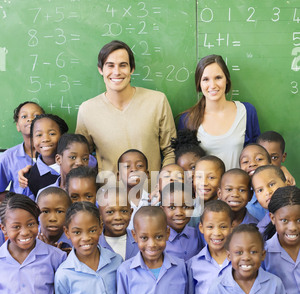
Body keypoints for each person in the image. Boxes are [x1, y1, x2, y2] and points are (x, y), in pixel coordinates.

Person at [75, 40, 176, 178]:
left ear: (132, 69)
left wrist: (162, 186)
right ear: (100, 69)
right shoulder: (87, 110)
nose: (116, 72)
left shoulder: (157, 101)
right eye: (110, 66)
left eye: (123, 65)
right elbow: (80, 157)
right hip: (108, 196)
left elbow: (171, 151)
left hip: (152, 196)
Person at [177, 54, 260, 171]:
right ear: (199, 84)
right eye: (205, 79)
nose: (212, 85)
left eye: (218, 78)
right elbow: (183, 166)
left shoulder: (246, 111)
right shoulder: (188, 119)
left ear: (226, 80)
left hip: (239, 188)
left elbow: (259, 157)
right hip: (203, 188)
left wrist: (280, 167)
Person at [0, 101, 45, 197]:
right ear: (17, 126)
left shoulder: (54, 154)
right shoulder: (8, 157)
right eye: (24, 116)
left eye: (36, 116)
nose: (30, 119)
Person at [20, 114, 69, 199]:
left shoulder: (77, 163)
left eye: (52, 133)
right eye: (39, 135)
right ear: (32, 139)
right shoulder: (29, 177)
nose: (45, 139)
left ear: (63, 136)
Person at [161, 181, 203, 261]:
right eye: (172, 207)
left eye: (186, 207)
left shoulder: (198, 235)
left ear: (192, 208)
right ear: (162, 210)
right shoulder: (158, 239)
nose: (179, 213)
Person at [98, 186, 139, 261]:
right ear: (100, 216)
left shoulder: (140, 240)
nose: (118, 217)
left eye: (124, 211)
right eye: (110, 212)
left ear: (131, 213)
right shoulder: (95, 244)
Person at [117, 149, 150, 229]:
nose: (134, 169)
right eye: (127, 166)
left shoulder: (155, 202)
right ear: (119, 175)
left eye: (139, 166)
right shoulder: (114, 204)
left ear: (147, 174)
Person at [251, 165, 287, 237]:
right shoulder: (261, 230)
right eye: (260, 190)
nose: (267, 192)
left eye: (271, 184)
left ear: (286, 183)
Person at [239, 143, 271, 221]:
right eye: (245, 161)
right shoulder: (241, 200)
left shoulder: (282, 188)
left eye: (259, 159)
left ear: (270, 164)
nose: (252, 164)